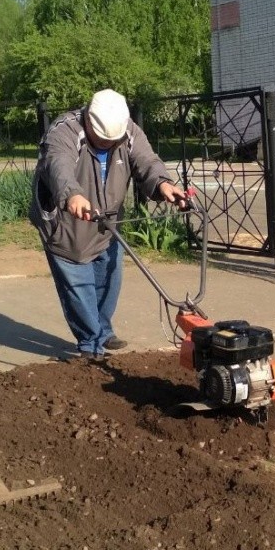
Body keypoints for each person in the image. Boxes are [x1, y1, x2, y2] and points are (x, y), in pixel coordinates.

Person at [29, 89, 187, 359]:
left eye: (111, 141)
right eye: (101, 139)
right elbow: (59, 166)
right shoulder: (63, 131)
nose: (107, 144)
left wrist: (163, 183)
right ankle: (90, 346)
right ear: (89, 119)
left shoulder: (128, 131)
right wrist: (72, 195)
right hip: (68, 225)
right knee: (79, 288)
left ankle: (102, 331)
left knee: (108, 281)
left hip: (108, 222)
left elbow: (146, 160)